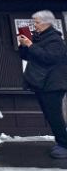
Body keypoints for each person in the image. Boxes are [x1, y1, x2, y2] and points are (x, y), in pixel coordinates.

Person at [18, 9, 67, 158]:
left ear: (47, 23)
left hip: (53, 84)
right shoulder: (39, 38)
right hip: (42, 83)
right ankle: (61, 143)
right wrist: (23, 45)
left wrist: (31, 45)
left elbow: (49, 58)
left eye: (37, 22)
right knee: (49, 114)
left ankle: (64, 145)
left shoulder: (55, 40)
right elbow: (27, 57)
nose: (35, 25)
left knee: (54, 115)